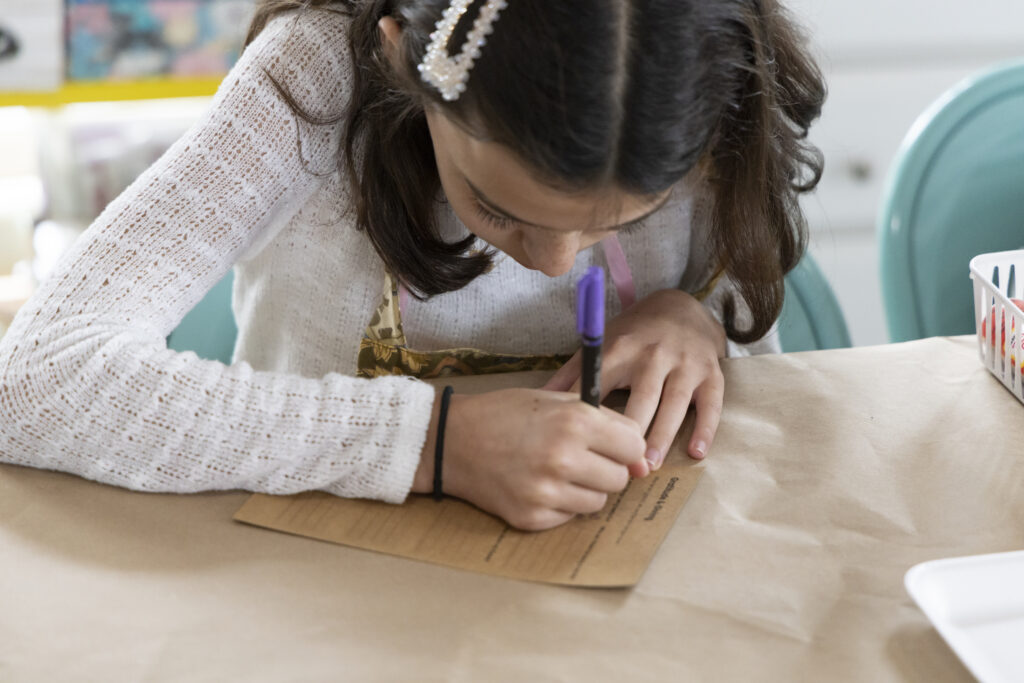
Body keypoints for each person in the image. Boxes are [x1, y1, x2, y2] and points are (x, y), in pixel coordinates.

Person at [0, 0, 824, 531]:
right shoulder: (312, 80)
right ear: (401, 59)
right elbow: (37, 380)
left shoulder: (713, 92)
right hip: (319, 587)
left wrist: (697, 320)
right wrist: (435, 443)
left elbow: (739, 335)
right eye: (499, 208)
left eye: (626, 220)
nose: (551, 265)